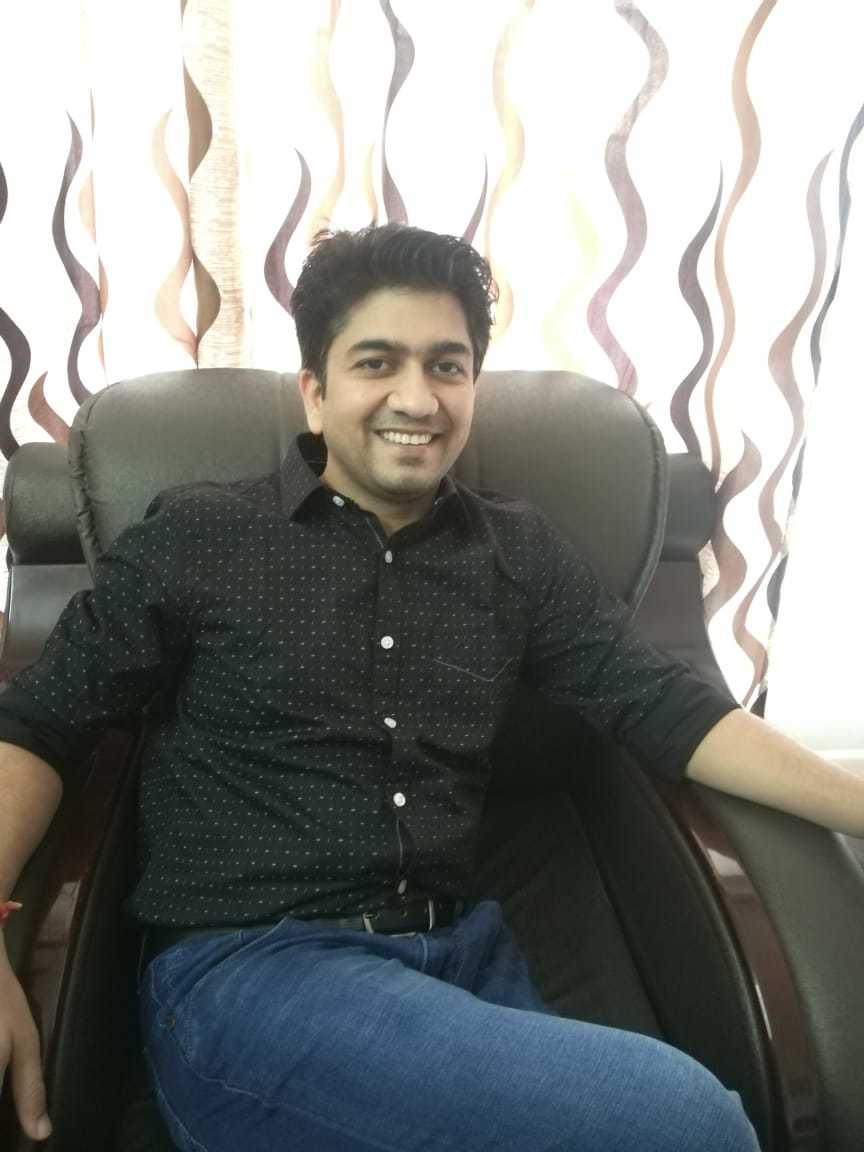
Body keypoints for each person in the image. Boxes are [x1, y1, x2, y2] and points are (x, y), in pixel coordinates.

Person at [0, 225, 861, 1152]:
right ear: (316, 391)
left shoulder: (514, 552)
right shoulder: (202, 534)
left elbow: (668, 706)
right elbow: (40, 719)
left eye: (447, 366)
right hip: (252, 971)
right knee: (683, 1122)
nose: (417, 398)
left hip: (464, 954)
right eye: (377, 362)